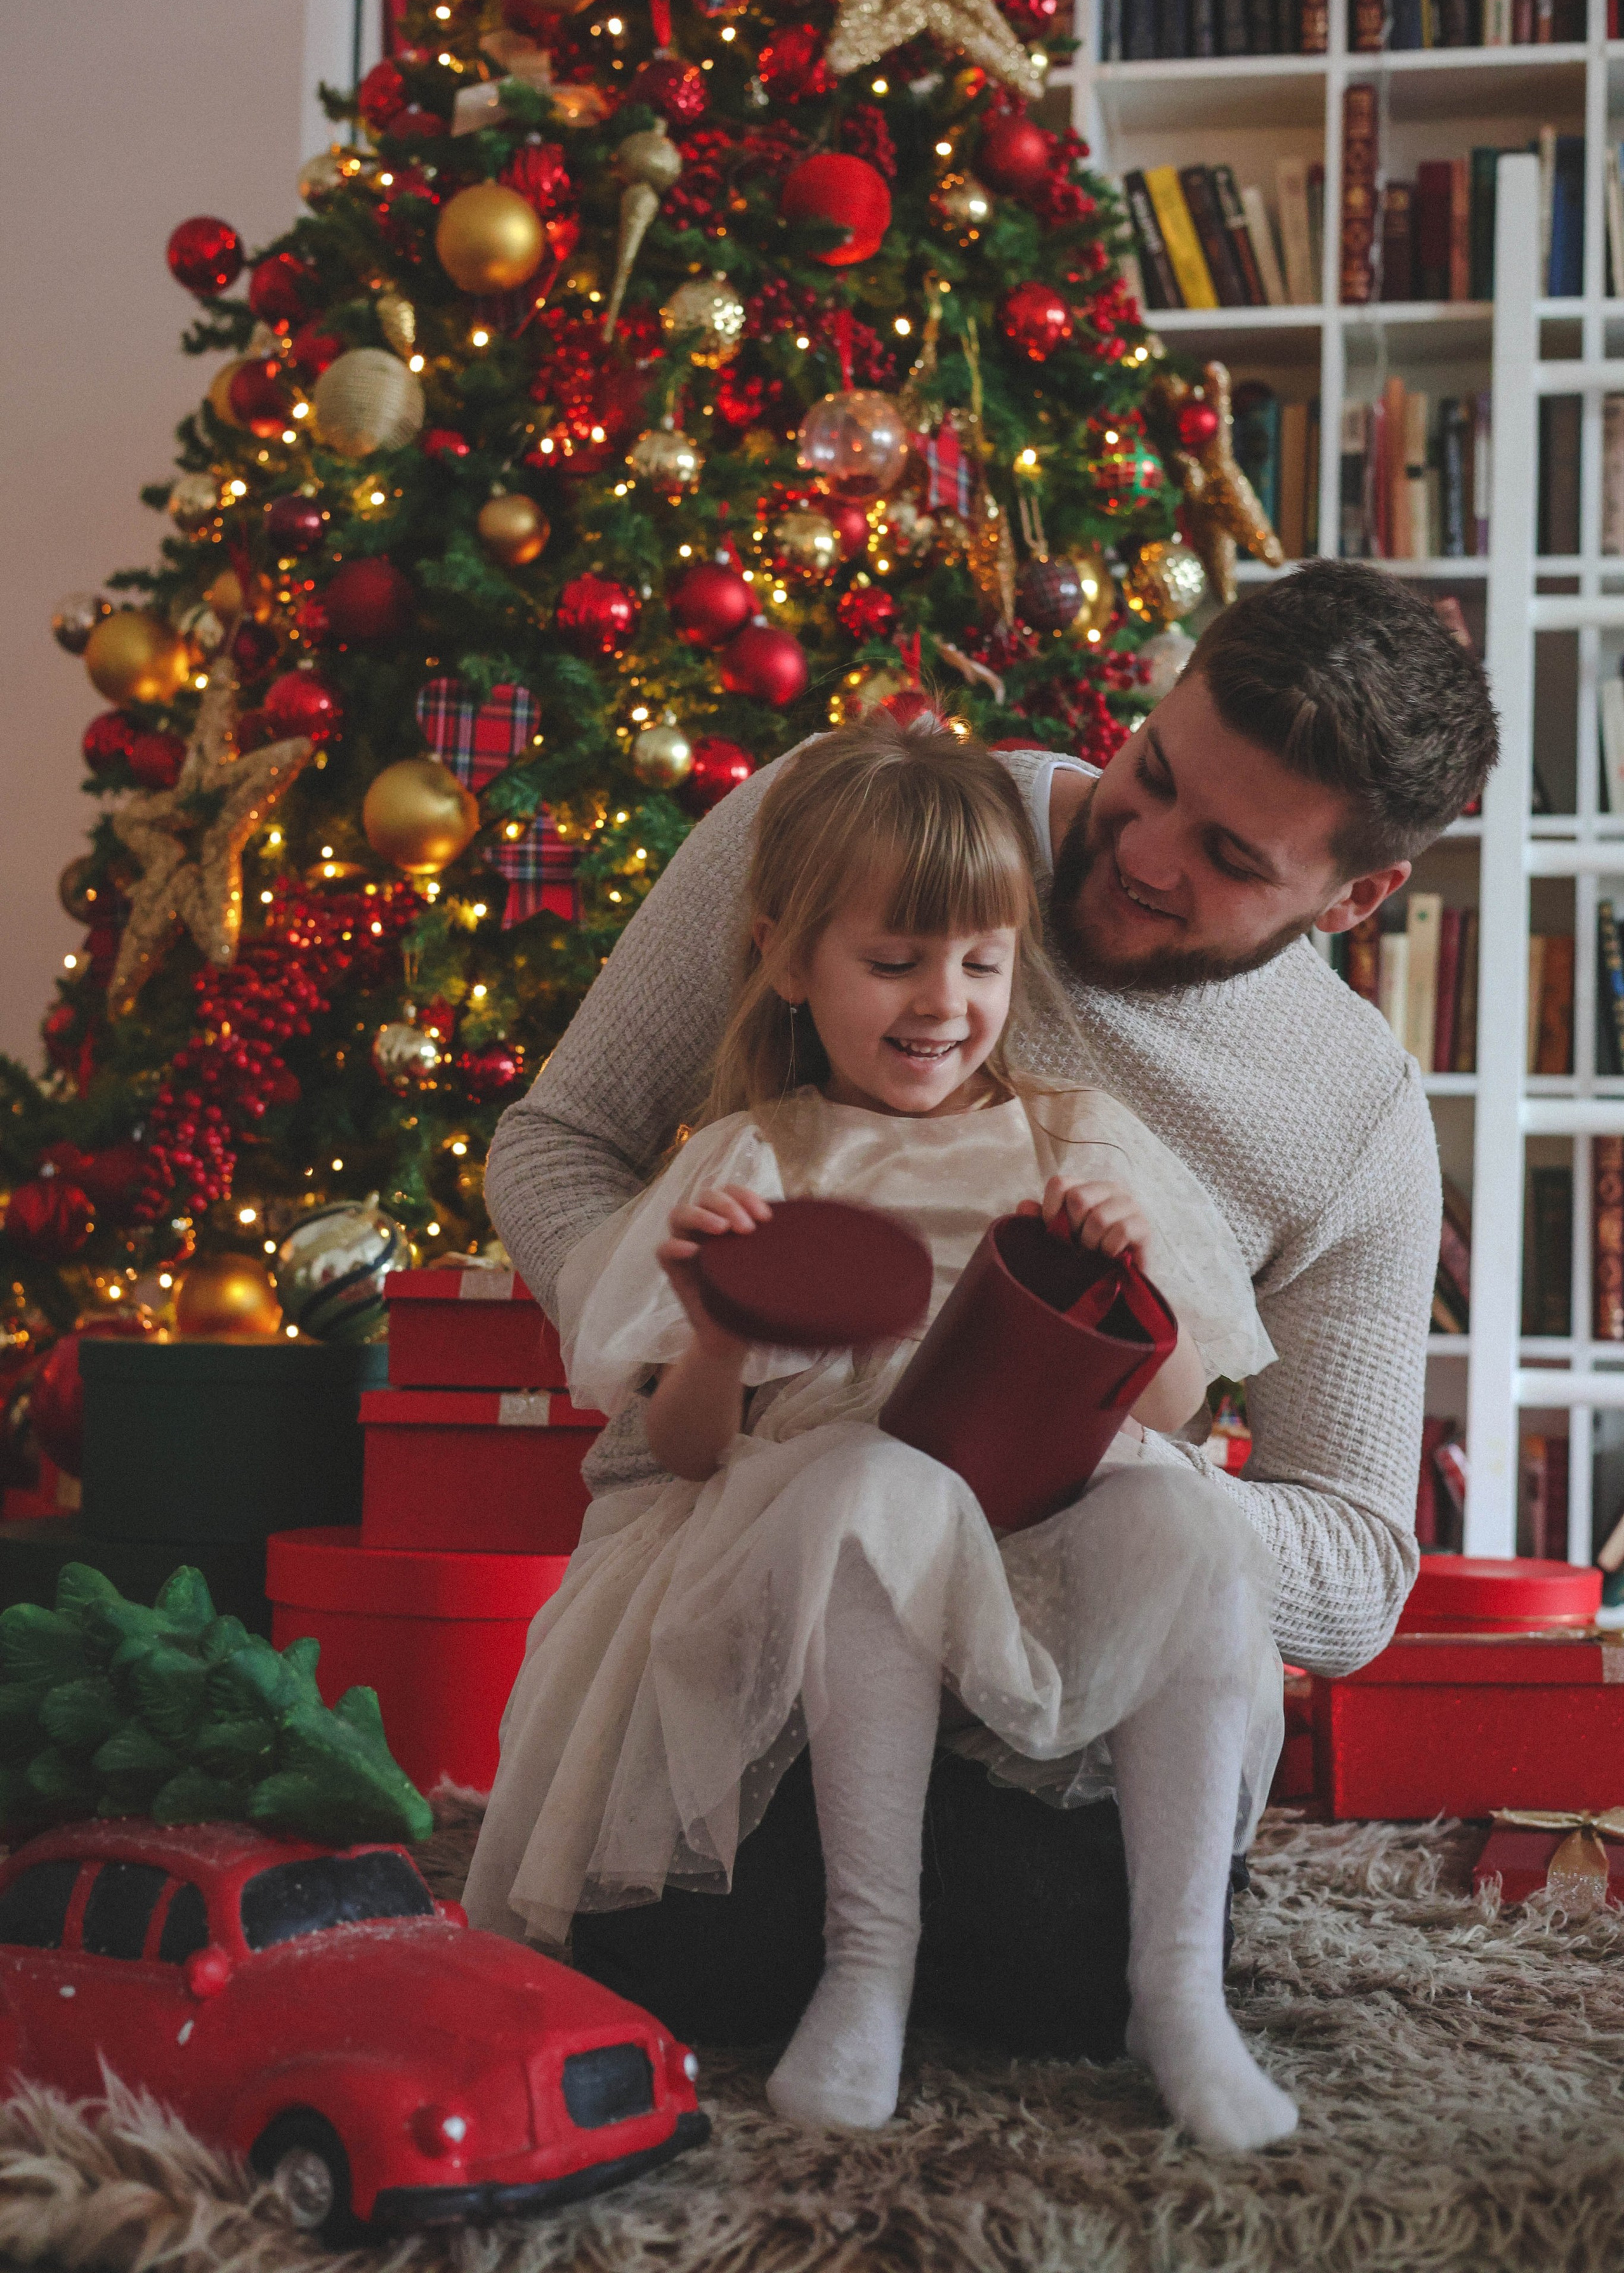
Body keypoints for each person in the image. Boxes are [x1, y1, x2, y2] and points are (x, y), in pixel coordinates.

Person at [480, 560, 1500, 2078]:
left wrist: (1075, 1467)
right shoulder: (867, 827)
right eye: (1146, 775)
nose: (1136, 849)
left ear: (1352, 899)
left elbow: (1352, 1573)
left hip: (1058, 1686)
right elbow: (553, 1147)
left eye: (1222, 855)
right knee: (693, 1962)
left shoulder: (1348, 1112)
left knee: (1065, 1982)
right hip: (758, 1598)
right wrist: (698, 1340)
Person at [466, 720, 1292, 2147]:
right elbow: (683, 1451)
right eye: (893, 962)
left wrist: (1131, 1276)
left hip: (1031, 1545)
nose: (943, 1004)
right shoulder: (753, 1162)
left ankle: (1175, 1994)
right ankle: (869, 1963)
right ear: (792, 961)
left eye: (979, 963)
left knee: (1196, 1515)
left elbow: (1168, 1413)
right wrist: (718, 1331)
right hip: (804, 1571)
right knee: (871, 1477)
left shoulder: (1070, 1138)